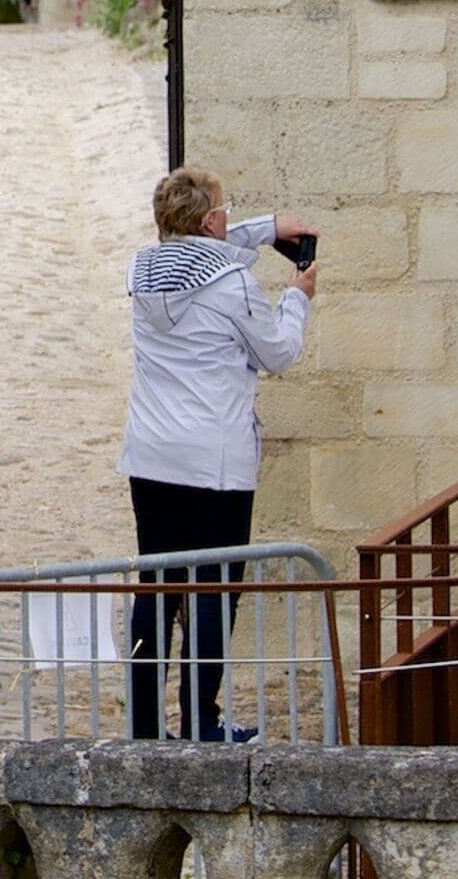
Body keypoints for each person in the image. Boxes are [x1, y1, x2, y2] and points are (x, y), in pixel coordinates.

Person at [120, 169, 318, 742]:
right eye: (225, 211)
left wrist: (267, 228)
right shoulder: (232, 284)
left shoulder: (144, 271)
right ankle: (202, 722)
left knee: (157, 586)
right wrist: (296, 300)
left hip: (152, 456)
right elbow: (277, 353)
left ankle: (144, 724)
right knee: (214, 589)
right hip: (215, 461)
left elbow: (197, 251)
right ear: (210, 220)